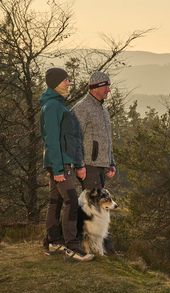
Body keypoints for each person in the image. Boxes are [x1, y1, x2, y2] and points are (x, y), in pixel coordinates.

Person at [40, 67, 94, 262]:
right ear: (55, 83)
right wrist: (59, 168)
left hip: (62, 161)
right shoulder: (53, 107)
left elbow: (69, 137)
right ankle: (72, 246)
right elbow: (52, 140)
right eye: (65, 80)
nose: (69, 82)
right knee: (71, 201)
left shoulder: (57, 104)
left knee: (56, 201)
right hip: (60, 163)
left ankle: (53, 240)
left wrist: (76, 162)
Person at [71, 71, 116, 254]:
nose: (109, 90)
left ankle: (95, 245)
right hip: (88, 164)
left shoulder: (103, 109)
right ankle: (102, 247)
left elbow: (108, 140)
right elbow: (74, 138)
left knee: (98, 205)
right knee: (96, 205)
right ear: (96, 87)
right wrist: (79, 164)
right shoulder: (82, 108)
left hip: (101, 164)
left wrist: (111, 163)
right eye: (106, 86)